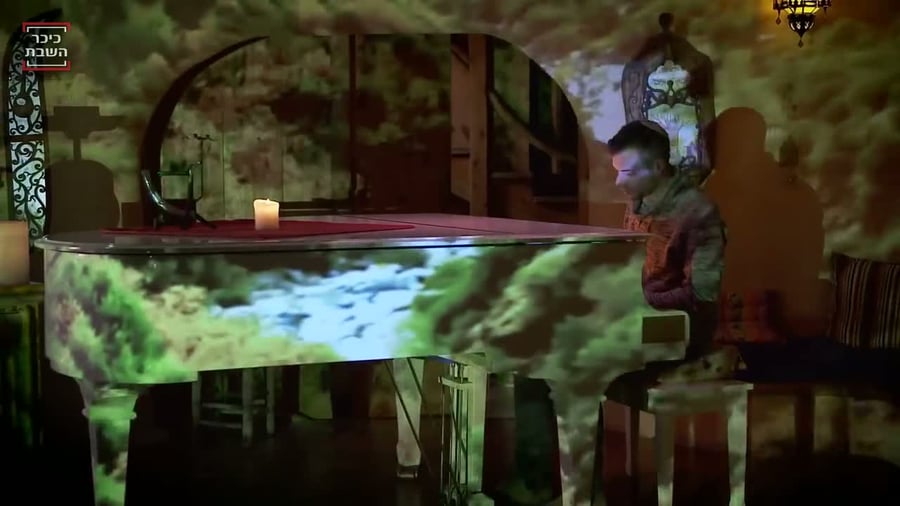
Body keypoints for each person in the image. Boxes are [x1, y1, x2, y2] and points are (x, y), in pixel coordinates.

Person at [497, 120, 734, 505]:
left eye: (628, 172)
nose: (620, 181)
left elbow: (703, 292)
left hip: (680, 329)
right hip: (635, 321)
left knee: (575, 370)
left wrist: (638, 302)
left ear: (658, 167)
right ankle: (538, 484)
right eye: (617, 171)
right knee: (532, 361)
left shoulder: (698, 211)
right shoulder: (640, 200)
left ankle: (586, 495)